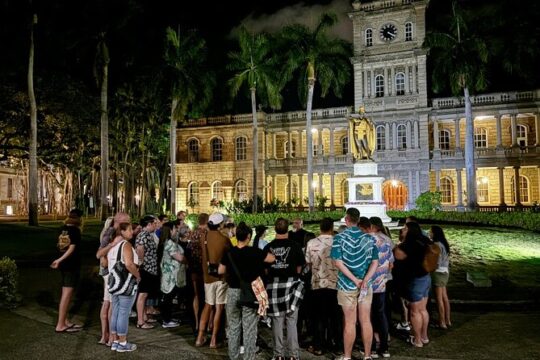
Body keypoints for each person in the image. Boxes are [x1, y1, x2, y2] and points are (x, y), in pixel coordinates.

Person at [219, 222, 275, 360]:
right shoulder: (255, 252)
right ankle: (249, 357)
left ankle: (233, 356)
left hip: (233, 292)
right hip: (250, 293)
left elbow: (220, 270)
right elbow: (272, 258)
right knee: (249, 329)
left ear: (236, 236)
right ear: (249, 236)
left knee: (233, 327)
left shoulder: (229, 253)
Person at [331, 208, 379, 360]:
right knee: (365, 320)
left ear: (346, 219)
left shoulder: (339, 238)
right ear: (358, 220)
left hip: (347, 285)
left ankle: (347, 356)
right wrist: (365, 280)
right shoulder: (369, 239)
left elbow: (337, 262)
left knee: (350, 322)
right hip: (365, 285)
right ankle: (367, 355)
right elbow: (375, 262)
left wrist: (354, 279)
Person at [263, 218, 305, 360]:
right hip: (292, 284)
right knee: (292, 321)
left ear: (275, 229)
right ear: (288, 229)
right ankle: (293, 355)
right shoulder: (295, 246)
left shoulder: (268, 247)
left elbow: (265, 269)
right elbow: (300, 266)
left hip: (274, 286)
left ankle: (278, 354)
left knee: (277, 321)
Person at [195, 212, 231, 348]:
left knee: (208, 305)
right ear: (220, 224)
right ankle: (214, 340)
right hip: (221, 277)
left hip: (207, 276)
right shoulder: (224, 239)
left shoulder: (203, 237)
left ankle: (200, 337)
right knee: (219, 307)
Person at [304, 217, 340, 356]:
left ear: (320, 227)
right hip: (335, 284)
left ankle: (318, 346)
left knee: (319, 317)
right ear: (332, 227)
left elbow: (309, 263)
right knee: (335, 317)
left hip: (317, 283)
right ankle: (337, 345)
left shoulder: (312, 243)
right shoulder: (338, 242)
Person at [394, 222, 431, 348]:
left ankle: (417, 340)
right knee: (423, 309)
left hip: (414, 279)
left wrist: (399, 244)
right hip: (425, 277)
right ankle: (424, 336)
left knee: (415, 312)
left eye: (405, 228)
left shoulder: (408, 245)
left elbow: (398, 256)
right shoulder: (425, 240)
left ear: (410, 231)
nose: (402, 230)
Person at [95, 212, 131, 346]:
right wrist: (112, 246)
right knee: (111, 304)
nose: (129, 223)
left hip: (111, 271)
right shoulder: (111, 233)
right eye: (127, 221)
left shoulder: (112, 232)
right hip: (110, 273)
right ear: (119, 221)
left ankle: (106, 335)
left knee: (107, 303)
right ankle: (111, 336)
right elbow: (100, 254)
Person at [107, 222, 140, 352]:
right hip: (125, 283)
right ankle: (122, 342)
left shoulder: (113, 246)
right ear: (122, 231)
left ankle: (115, 341)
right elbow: (129, 264)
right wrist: (137, 275)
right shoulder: (126, 245)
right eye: (130, 230)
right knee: (123, 313)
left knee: (115, 311)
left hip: (114, 283)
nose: (132, 232)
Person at [51, 209, 84, 333]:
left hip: (64, 265)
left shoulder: (62, 229)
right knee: (67, 294)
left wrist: (59, 260)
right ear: (79, 219)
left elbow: (60, 245)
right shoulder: (75, 231)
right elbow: (72, 248)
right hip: (71, 264)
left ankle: (65, 320)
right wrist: (59, 260)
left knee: (66, 294)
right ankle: (60, 324)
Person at [369, 216, 395, 358]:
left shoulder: (365, 241)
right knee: (381, 314)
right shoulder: (386, 240)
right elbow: (391, 264)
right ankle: (384, 348)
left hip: (367, 285)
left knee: (368, 316)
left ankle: (372, 347)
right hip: (381, 283)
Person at [135, 215, 159, 329]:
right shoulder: (143, 235)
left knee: (145, 295)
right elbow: (140, 250)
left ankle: (143, 316)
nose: (156, 225)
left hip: (150, 268)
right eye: (154, 223)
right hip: (146, 269)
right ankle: (140, 321)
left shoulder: (147, 235)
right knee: (142, 294)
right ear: (148, 224)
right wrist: (140, 264)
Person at [159, 221, 185, 328]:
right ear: (170, 231)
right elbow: (179, 257)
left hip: (169, 274)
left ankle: (167, 318)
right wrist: (187, 260)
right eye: (175, 229)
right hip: (170, 276)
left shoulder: (167, 242)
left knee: (169, 297)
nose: (176, 231)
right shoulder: (169, 243)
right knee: (168, 297)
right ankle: (166, 319)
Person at [186, 213, 209, 333]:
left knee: (196, 295)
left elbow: (188, 249)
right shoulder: (206, 233)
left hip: (193, 267)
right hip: (203, 267)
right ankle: (205, 324)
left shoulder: (193, 232)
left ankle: (196, 323)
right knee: (206, 297)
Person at [429, 225, 452, 329]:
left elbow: (436, 263)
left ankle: (442, 321)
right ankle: (448, 320)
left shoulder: (436, 245)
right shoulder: (444, 244)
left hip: (438, 273)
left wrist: (429, 269)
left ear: (435, 233)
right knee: (445, 297)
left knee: (439, 299)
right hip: (445, 272)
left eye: (431, 232)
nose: (429, 233)